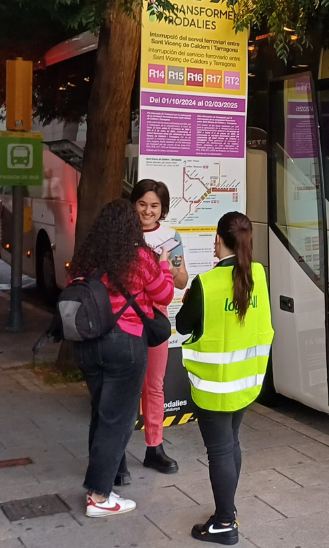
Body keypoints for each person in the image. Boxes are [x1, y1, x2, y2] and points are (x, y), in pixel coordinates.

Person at [70, 199, 174, 519]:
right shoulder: (140, 257)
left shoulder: (85, 259)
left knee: (101, 414)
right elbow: (164, 294)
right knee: (118, 419)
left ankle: (103, 482)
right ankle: (99, 497)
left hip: (87, 343)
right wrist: (165, 264)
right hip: (125, 344)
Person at [177, 212, 273, 545]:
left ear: (217, 240)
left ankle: (224, 523)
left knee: (219, 450)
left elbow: (184, 325)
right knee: (231, 443)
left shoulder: (207, 284)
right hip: (246, 381)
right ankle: (227, 512)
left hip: (215, 385)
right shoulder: (258, 274)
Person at [130, 179, 188, 475]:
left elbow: (181, 282)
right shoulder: (123, 233)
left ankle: (154, 447)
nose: (147, 211)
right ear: (134, 204)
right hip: (124, 317)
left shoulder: (171, 236)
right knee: (125, 384)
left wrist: (170, 266)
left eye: (154, 206)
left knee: (154, 385)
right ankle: (116, 452)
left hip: (156, 320)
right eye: (142, 204)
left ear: (162, 209)